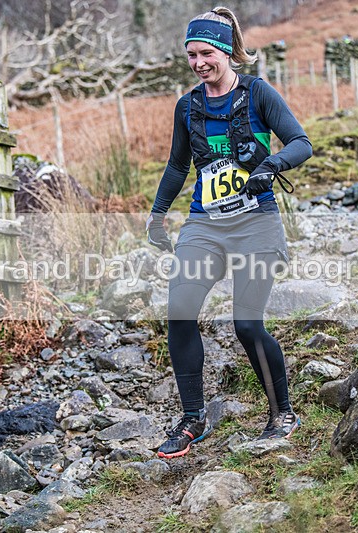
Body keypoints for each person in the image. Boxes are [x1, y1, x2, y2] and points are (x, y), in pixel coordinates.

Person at [146, 6, 312, 459]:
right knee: (179, 310)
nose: (199, 63)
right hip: (205, 223)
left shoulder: (258, 93)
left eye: (206, 53)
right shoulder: (188, 106)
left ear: (226, 52)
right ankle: (192, 420)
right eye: (191, 55)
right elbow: (179, 164)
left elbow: (301, 142)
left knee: (246, 324)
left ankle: (282, 414)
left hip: (256, 222)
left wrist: (271, 166)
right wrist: (158, 214)